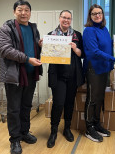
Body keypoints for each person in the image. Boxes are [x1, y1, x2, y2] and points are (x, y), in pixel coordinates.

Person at [0, 0, 43, 154]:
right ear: (14, 12)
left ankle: (24, 132)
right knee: (14, 109)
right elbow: (5, 50)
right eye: (20, 10)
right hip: (14, 75)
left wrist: (41, 45)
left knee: (26, 107)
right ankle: (15, 139)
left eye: (27, 10)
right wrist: (27, 59)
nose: (24, 13)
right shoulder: (7, 28)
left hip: (30, 74)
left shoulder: (33, 28)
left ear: (30, 12)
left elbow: (34, 46)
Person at [83, 4, 115, 142]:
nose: (97, 15)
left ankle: (96, 124)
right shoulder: (89, 30)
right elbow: (95, 51)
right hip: (94, 68)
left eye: (100, 13)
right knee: (92, 99)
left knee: (100, 98)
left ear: (103, 15)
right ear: (90, 16)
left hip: (104, 68)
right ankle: (89, 128)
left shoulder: (104, 28)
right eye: (94, 13)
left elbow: (107, 44)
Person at [47, 10, 84, 148]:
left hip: (73, 76)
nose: (66, 20)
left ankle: (67, 128)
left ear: (71, 20)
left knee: (69, 103)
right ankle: (53, 131)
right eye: (64, 17)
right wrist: (43, 46)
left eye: (69, 18)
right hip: (58, 76)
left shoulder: (77, 35)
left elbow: (82, 54)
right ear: (59, 18)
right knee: (58, 103)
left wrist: (75, 49)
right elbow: (47, 55)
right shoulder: (51, 35)